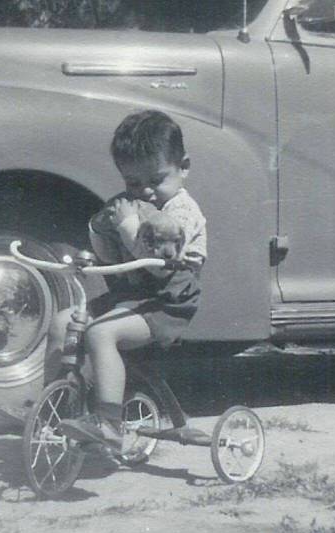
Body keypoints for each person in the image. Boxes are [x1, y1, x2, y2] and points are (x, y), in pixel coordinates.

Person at [53, 109, 207, 451]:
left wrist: (126, 227)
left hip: (167, 304)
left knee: (100, 332)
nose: (147, 192)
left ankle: (108, 421)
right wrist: (102, 230)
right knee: (63, 321)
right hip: (134, 296)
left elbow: (160, 264)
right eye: (134, 183)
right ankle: (55, 402)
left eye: (157, 180)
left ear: (184, 168)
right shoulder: (136, 208)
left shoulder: (182, 212)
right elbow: (113, 257)